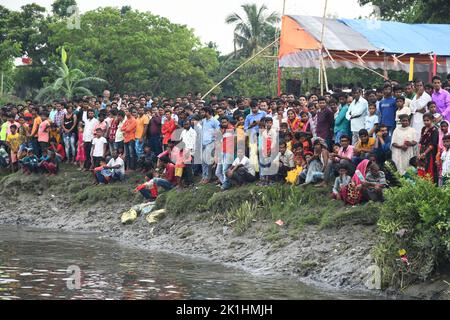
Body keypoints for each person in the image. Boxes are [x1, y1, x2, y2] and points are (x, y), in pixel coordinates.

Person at [200, 107, 220, 184]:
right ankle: (204, 176)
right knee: (203, 161)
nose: (201, 114)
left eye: (203, 112)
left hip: (211, 143)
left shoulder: (215, 121)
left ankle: (208, 177)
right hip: (203, 143)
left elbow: (217, 133)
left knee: (208, 161)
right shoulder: (203, 121)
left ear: (207, 112)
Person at [418, 112, 439, 184]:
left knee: (429, 169)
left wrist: (424, 153)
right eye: (424, 120)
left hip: (430, 153)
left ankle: (429, 187)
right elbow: (420, 141)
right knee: (421, 169)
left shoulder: (434, 130)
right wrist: (419, 153)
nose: (426, 122)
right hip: (422, 151)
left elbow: (432, 145)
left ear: (432, 120)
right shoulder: (423, 128)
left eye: (428, 120)